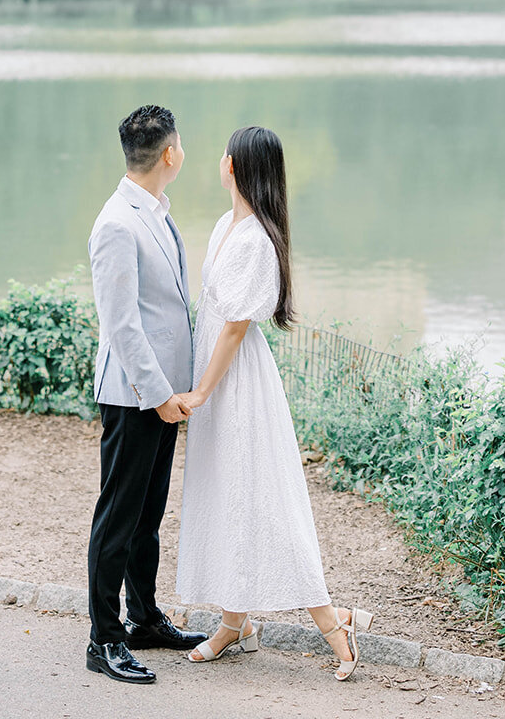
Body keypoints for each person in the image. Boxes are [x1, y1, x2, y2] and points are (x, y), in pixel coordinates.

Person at [176, 125, 374, 681]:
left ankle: (334, 624)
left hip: (235, 383)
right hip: (218, 376)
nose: (218, 160)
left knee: (264, 497)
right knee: (227, 495)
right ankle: (233, 621)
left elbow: (236, 328)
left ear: (235, 166)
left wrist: (202, 391)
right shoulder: (226, 226)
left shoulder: (255, 238)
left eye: (224, 153)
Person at [85, 104, 207, 684]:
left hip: (164, 395)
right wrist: (159, 395)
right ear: (169, 154)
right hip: (134, 394)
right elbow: (123, 325)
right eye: (181, 143)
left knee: (148, 515)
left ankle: (144, 619)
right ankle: (103, 639)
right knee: (118, 516)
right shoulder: (116, 222)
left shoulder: (157, 212)